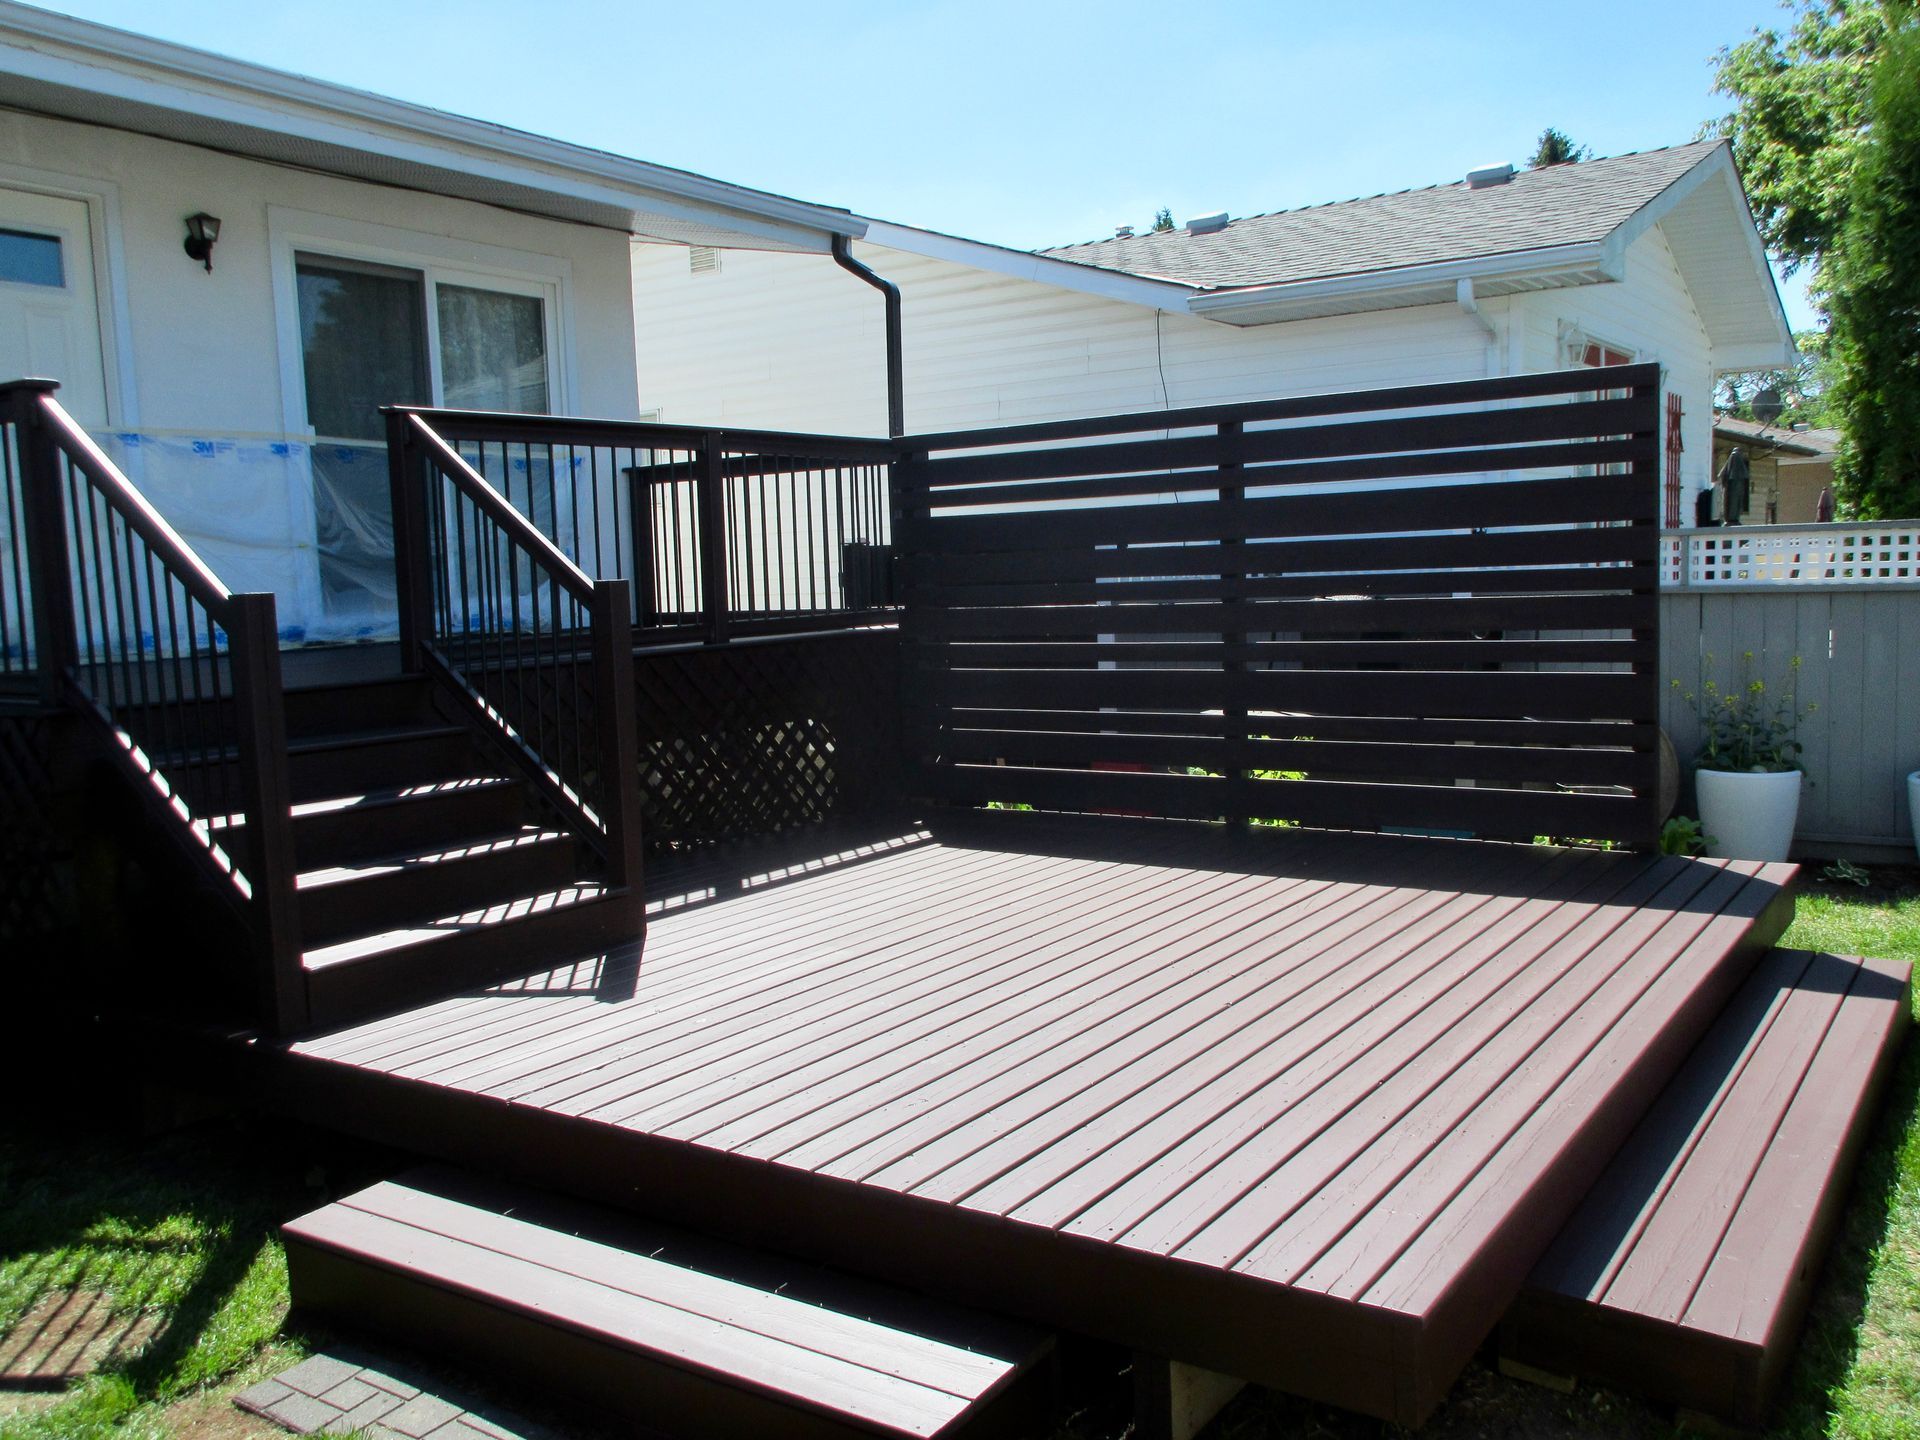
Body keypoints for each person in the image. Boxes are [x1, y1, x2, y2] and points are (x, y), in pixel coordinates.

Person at [1717, 447, 1751, 526]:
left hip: (1737, 489)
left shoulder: (1741, 475)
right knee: (1731, 504)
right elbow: (1721, 475)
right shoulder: (1730, 466)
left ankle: (1734, 518)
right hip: (1730, 490)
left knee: (1736, 503)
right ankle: (1730, 518)